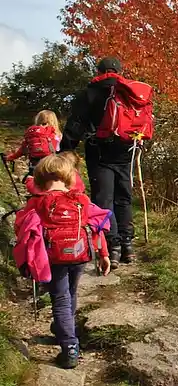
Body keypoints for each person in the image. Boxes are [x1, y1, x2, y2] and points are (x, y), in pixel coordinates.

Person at [12, 155, 111, 369]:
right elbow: (97, 225)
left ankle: (69, 346)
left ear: (40, 177)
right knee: (70, 294)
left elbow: (21, 227)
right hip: (80, 254)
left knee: (60, 299)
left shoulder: (37, 202)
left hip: (53, 257)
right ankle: (62, 329)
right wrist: (104, 253)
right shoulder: (81, 200)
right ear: (69, 176)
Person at [60, 57, 142, 268]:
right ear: (119, 71)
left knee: (104, 199)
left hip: (99, 152)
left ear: (99, 71)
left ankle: (113, 246)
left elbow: (76, 124)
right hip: (126, 152)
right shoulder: (130, 92)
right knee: (124, 198)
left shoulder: (90, 93)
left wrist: (66, 150)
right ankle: (128, 245)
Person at [2, 110, 62, 180]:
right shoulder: (57, 135)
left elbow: (22, 150)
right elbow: (61, 151)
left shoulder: (32, 134)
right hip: (51, 166)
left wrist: (10, 157)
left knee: (33, 181)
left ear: (38, 119)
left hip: (34, 166)